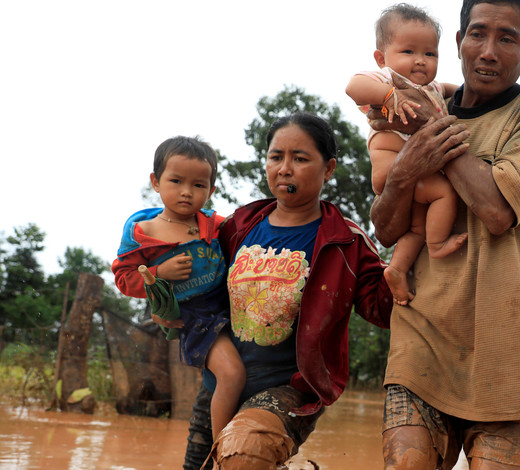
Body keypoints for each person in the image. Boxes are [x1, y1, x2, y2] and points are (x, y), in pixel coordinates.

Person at [369, 0, 520, 468]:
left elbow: (496, 212)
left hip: (505, 351)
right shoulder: (415, 109)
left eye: (507, 38)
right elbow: (387, 229)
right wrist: (403, 174)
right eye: (477, 34)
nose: (489, 51)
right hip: (421, 342)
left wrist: (430, 129)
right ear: (458, 43)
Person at [157, 113, 395, 469]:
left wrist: (409, 258)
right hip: (221, 384)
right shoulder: (238, 226)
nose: (285, 168)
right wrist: (165, 304)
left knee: (244, 455)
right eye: (276, 157)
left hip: (289, 390)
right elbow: (202, 284)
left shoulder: (345, 241)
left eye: (300, 158)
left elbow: (382, 309)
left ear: (328, 168)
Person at [112, 136, 245, 441]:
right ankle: (222, 448)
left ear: (211, 191)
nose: (187, 192)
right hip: (195, 318)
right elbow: (124, 279)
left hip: (231, 307)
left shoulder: (215, 224)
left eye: (199, 185)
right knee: (232, 373)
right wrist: (159, 272)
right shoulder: (144, 233)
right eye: (176, 181)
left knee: (248, 371)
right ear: (156, 182)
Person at [346, 3, 466, 305]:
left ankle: (397, 269)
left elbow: (459, 91)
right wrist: (390, 96)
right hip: (390, 165)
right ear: (381, 57)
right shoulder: (388, 79)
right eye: (408, 52)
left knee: (416, 226)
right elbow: (353, 87)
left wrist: (466, 92)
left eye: (430, 54)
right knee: (445, 194)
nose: (420, 61)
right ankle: (437, 245)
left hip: (415, 177)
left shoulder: (433, 87)